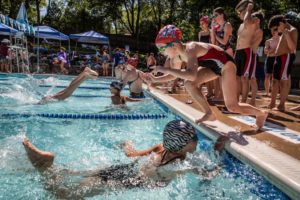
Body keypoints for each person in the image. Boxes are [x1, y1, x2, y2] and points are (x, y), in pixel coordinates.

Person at [22, 120, 222, 199]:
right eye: (194, 137)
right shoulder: (179, 164)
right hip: (126, 182)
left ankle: (47, 166)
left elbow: (132, 155)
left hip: (122, 168)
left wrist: (127, 144)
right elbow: (208, 173)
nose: (196, 140)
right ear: (184, 144)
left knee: (71, 173)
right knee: (66, 196)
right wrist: (218, 156)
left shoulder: (160, 147)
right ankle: (43, 167)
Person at [144, 25, 268, 130]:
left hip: (226, 65)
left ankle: (260, 114)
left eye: (162, 48)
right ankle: (209, 113)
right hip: (212, 67)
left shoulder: (191, 49)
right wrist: (155, 80)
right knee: (188, 84)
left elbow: (191, 75)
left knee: (232, 106)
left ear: (174, 45)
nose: (161, 52)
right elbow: (173, 75)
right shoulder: (176, 57)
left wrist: (165, 69)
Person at [267, 15, 298, 111]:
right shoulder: (282, 31)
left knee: (283, 82)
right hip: (278, 58)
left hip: (286, 57)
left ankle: (281, 105)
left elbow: (292, 48)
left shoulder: (292, 30)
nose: (276, 31)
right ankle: (272, 103)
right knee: (275, 81)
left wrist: (287, 35)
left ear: (281, 24)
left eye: (276, 28)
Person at [235, 0, 261, 104]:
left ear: (245, 11)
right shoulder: (241, 25)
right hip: (238, 52)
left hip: (246, 51)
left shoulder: (253, 19)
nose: (239, 15)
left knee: (244, 78)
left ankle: (244, 102)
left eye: (240, 12)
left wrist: (249, 10)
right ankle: (236, 101)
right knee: (237, 78)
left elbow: (247, 21)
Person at [264, 27, 280, 97]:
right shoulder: (268, 41)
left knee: (277, 77)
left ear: (277, 31)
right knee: (267, 76)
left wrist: (270, 50)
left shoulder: (281, 39)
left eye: (275, 30)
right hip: (269, 59)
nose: (273, 31)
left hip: (277, 58)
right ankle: (267, 92)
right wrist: (273, 50)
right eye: (272, 30)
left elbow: (280, 50)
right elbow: (265, 51)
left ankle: (277, 92)